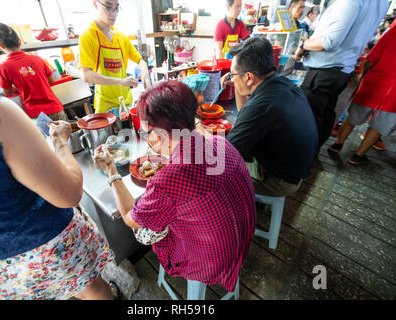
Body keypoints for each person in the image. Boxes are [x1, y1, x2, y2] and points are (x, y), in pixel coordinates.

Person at [0, 0, 115, 300]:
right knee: (92, 289)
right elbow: (67, 193)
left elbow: (11, 92)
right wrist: (60, 142)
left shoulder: (3, 69)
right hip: (41, 240)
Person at [94, 81, 256, 293]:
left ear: (158, 134)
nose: (148, 138)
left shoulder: (169, 181)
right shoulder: (221, 143)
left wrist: (111, 170)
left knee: (144, 233)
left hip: (212, 260)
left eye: (147, 132)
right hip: (242, 238)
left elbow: (129, 218)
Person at [206, 37, 318, 197]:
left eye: (233, 74)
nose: (231, 77)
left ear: (249, 77)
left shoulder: (262, 105)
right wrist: (238, 85)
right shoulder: (282, 83)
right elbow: (247, 112)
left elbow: (225, 156)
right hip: (293, 168)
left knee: (211, 174)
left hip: (279, 181)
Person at [294, 0, 389, 151]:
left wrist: (302, 45)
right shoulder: (381, 3)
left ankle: (302, 157)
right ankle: (311, 153)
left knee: (310, 116)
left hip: (326, 68)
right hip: (342, 67)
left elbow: (329, 41)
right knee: (325, 113)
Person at [328, 25, 396, 165]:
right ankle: (357, 156)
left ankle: (337, 145)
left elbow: (371, 59)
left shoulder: (392, 32)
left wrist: (362, 77)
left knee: (353, 117)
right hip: (393, 95)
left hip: (374, 84)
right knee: (378, 126)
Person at [79, 0, 151, 113]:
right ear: (95, 4)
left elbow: (140, 61)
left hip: (126, 102)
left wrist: (145, 74)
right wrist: (120, 81)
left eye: (116, 8)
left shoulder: (121, 37)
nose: (113, 13)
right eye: (108, 7)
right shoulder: (88, 36)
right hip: (105, 106)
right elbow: (87, 75)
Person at [0, 23, 67, 121]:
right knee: (65, 136)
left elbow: (6, 91)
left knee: (44, 137)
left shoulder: (3, 67)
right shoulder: (37, 59)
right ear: (19, 41)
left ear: (0, 44)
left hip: (36, 115)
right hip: (55, 109)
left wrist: (21, 86)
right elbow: (51, 80)